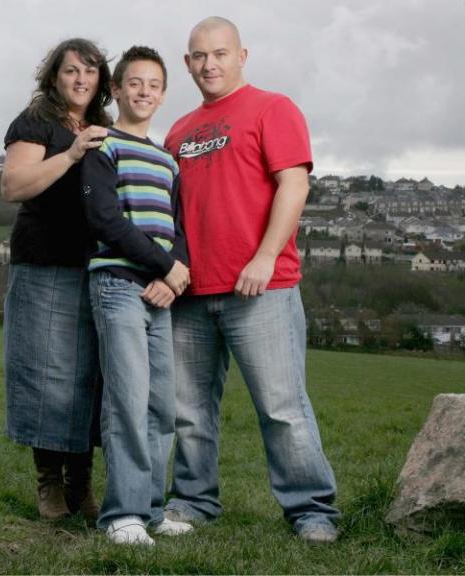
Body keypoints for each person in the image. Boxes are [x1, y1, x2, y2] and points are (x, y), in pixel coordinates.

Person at [161, 17, 341, 543]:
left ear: (242, 55)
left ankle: (313, 511)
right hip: (191, 293)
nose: (209, 64)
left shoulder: (272, 108)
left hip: (262, 288)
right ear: (187, 62)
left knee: (282, 407)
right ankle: (194, 502)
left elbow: (294, 184)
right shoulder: (178, 131)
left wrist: (263, 258)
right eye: (198, 56)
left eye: (219, 53)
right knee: (189, 412)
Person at [80, 46, 193, 546]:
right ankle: (120, 516)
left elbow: (179, 229)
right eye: (135, 83)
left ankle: (149, 509)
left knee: (160, 407)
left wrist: (173, 277)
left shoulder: (169, 160)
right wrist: (164, 265)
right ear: (117, 90)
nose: (144, 92)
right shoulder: (103, 147)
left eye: (153, 85)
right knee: (126, 401)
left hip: (157, 293)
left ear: (163, 94)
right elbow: (106, 219)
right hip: (117, 288)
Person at [1, 38, 111, 523]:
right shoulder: (35, 122)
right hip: (44, 262)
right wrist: (69, 155)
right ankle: (48, 484)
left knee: (90, 377)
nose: (81, 80)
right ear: (54, 77)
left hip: (98, 266)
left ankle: (80, 483)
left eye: (90, 72)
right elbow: (13, 186)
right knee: (45, 375)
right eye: (71, 71)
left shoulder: (106, 125)